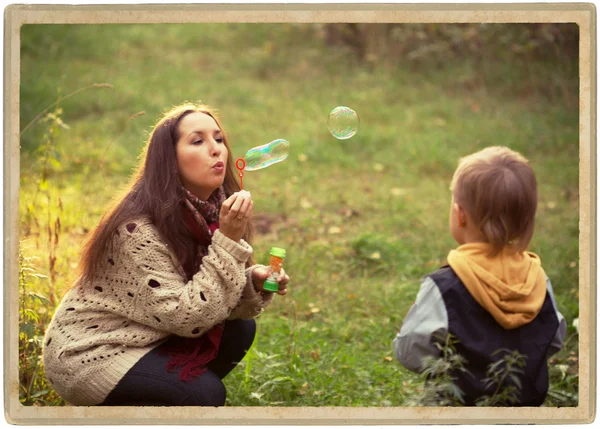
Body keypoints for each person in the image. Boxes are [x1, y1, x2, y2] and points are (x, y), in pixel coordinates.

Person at [43, 102, 290, 406]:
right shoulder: (138, 229)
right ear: (169, 160)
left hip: (151, 333)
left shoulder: (210, 212)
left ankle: (169, 396)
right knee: (204, 395)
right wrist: (227, 240)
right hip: (93, 353)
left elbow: (208, 296)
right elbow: (189, 317)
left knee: (239, 329)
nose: (216, 150)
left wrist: (252, 281)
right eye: (198, 141)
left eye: (218, 139)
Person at [393, 146, 566, 406]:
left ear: (459, 215)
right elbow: (553, 339)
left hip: (455, 411)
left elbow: (410, 352)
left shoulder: (443, 286)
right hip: (526, 412)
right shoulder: (538, 281)